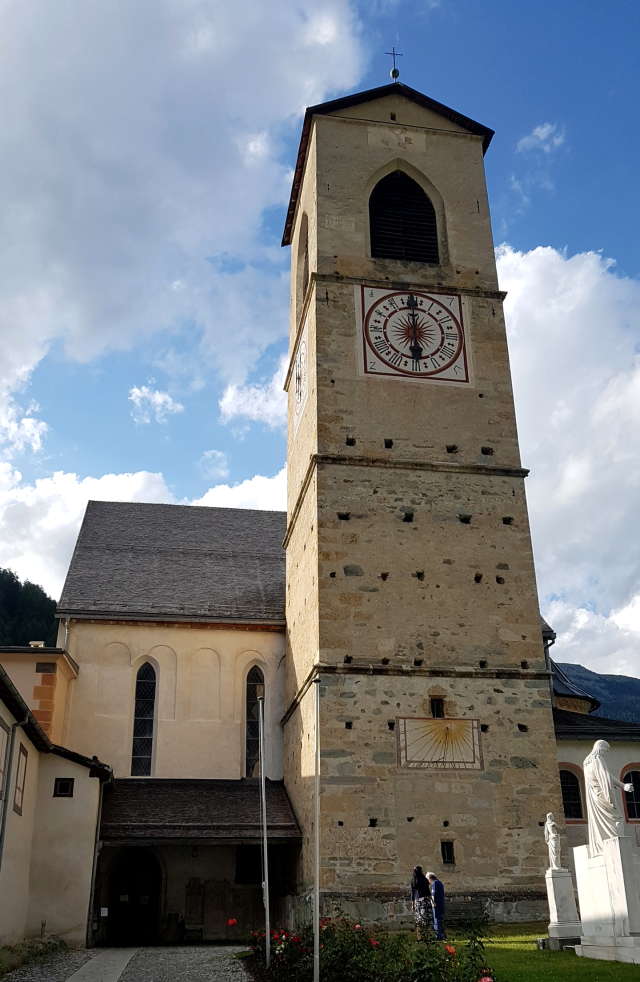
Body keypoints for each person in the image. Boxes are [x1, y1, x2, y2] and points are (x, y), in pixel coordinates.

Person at [583, 739, 633, 857]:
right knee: (618, 818)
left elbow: (605, 776)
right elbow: (606, 777)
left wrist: (621, 785)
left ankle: (603, 846)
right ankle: (619, 849)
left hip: (595, 797)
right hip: (603, 795)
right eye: (606, 751)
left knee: (601, 822)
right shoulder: (597, 759)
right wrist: (619, 787)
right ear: (600, 748)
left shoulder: (586, 762)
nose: (606, 754)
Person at [410, 866, 431, 938]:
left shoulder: (413, 881)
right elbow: (428, 892)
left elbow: (412, 894)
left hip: (417, 902)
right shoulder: (424, 880)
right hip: (425, 900)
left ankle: (419, 936)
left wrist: (412, 905)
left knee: (418, 919)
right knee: (426, 918)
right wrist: (432, 900)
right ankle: (427, 935)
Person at [427, 872, 446, 940]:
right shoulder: (439, 883)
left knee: (437, 920)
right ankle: (443, 935)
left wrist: (432, 900)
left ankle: (439, 936)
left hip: (436, 904)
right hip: (440, 903)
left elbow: (434, 893)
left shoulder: (435, 883)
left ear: (430, 878)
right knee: (440, 920)